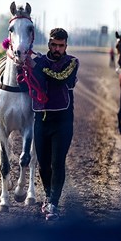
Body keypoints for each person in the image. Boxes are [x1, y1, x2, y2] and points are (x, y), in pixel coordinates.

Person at [31, 28, 79, 221]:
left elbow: (60, 79)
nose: (57, 48)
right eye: (54, 44)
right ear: (48, 44)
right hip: (40, 120)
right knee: (43, 165)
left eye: (61, 45)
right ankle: (49, 195)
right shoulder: (39, 61)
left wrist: (37, 67)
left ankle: (53, 204)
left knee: (57, 162)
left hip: (63, 121)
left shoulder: (72, 62)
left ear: (66, 45)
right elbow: (26, 83)